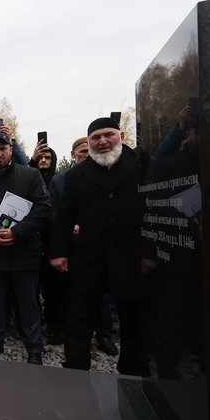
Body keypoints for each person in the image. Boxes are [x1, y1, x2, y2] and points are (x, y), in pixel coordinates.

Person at [50, 117, 149, 376]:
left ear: (121, 136)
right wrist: (59, 253)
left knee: (133, 318)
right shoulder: (76, 176)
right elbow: (63, 217)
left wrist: (150, 253)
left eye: (108, 135)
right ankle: (75, 369)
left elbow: (155, 214)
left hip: (130, 256)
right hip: (89, 257)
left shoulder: (142, 168)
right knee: (79, 316)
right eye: (95, 137)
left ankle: (133, 371)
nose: (102, 141)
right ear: (89, 143)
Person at [0, 130, 51, 363]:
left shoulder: (31, 175)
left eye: (2, 149)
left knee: (28, 303)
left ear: (10, 150)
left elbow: (44, 208)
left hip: (24, 252)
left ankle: (34, 347)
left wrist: (17, 231)